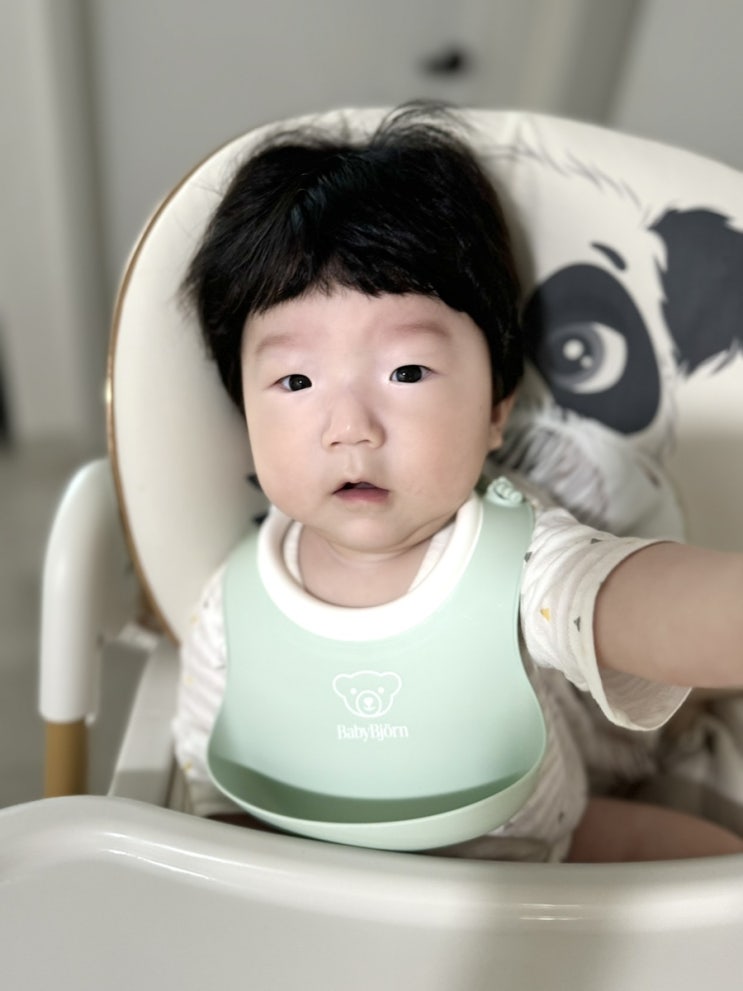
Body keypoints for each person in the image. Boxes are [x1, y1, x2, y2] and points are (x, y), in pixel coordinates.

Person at [173, 104, 743, 862]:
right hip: (334, 886)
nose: (350, 427)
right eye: (296, 380)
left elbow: (621, 601)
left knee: (711, 862)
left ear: (496, 409)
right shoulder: (231, 611)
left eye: (407, 371)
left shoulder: (519, 556)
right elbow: (216, 799)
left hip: (537, 856)